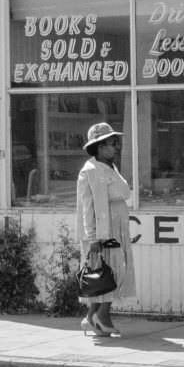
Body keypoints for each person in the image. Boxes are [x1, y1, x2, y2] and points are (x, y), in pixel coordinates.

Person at [76, 122, 134, 338]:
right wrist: (96, 238)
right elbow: (95, 207)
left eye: (115, 142)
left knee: (107, 274)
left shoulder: (107, 166)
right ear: (100, 146)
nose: (116, 147)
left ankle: (94, 316)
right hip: (105, 231)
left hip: (114, 229)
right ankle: (102, 315)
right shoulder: (94, 171)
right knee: (108, 274)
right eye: (112, 143)